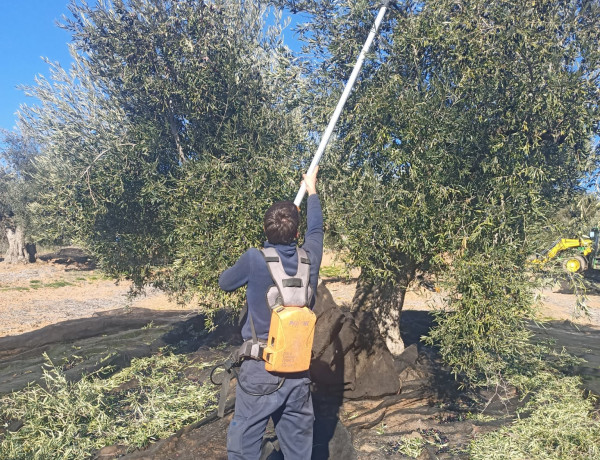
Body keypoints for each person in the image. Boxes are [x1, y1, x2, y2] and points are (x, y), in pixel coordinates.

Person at [218, 167, 323, 460]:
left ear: (265, 230)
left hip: (259, 371)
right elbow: (317, 230)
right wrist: (312, 190)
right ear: (297, 233)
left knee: (243, 449)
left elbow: (225, 282)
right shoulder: (310, 258)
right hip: (298, 372)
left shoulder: (254, 259)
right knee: (299, 451)